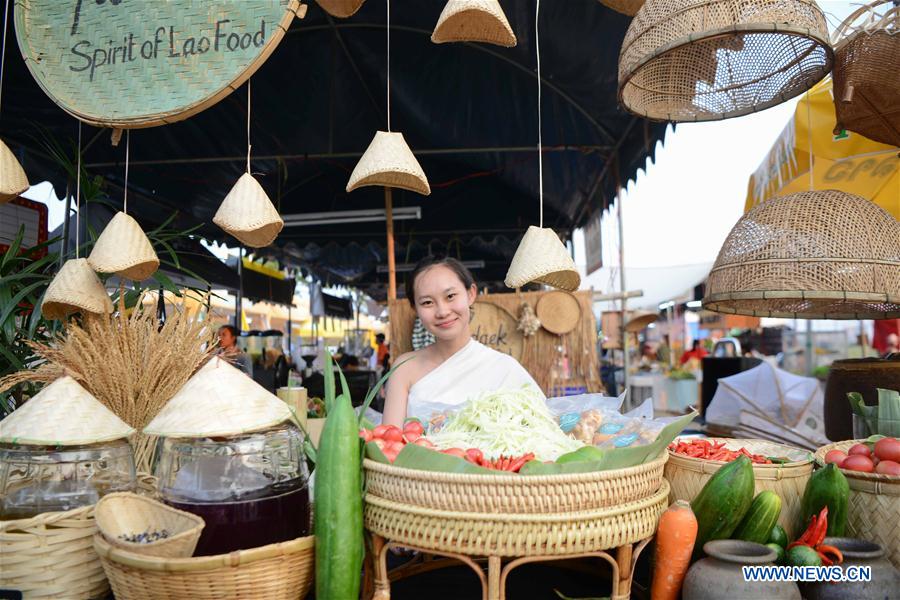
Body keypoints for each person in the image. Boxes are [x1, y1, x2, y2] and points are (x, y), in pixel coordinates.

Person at [382, 256, 540, 426]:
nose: (442, 311)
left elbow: (544, 427)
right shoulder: (404, 369)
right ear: (415, 308)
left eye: (450, 296)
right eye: (427, 302)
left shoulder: (504, 368)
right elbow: (389, 442)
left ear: (471, 294)